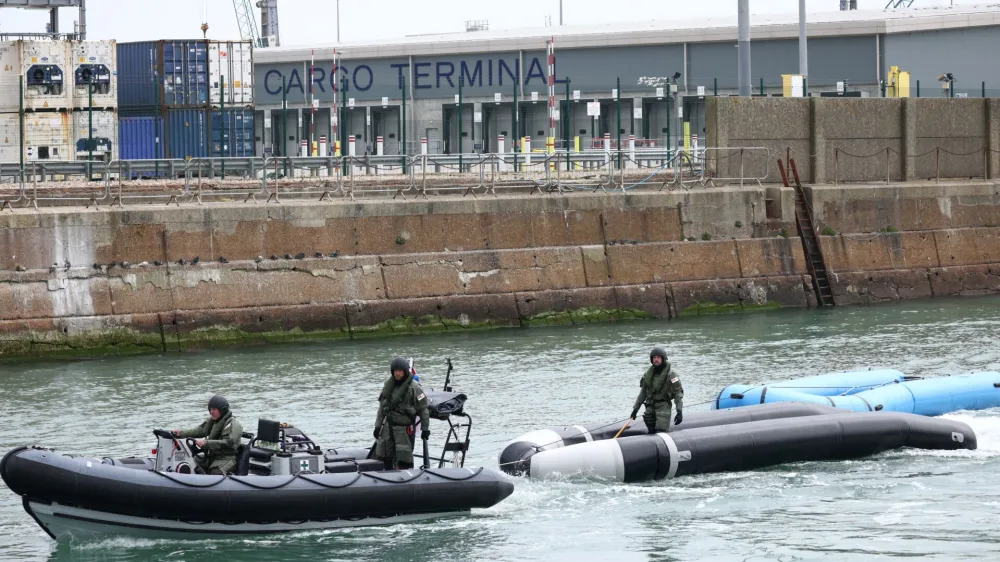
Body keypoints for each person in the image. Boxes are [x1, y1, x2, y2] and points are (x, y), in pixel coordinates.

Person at [374, 357, 431, 470]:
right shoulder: (388, 385)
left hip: (404, 427)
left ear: (405, 371)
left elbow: (423, 409)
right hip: (388, 426)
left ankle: (406, 477)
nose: (397, 374)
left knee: (404, 456)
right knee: (384, 454)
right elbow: (381, 408)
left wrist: (425, 428)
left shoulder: (415, 387)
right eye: (395, 371)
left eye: (400, 371)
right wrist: (377, 426)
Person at [173, 395, 243, 475]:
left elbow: (228, 442)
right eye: (210, 409)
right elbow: (200, 431)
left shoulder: (233, 424)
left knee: (216, 472)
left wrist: (206, 443)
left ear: (222, 410)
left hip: (227, 458)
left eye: (214, 409)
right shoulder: (214, 420)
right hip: (212, 457)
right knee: (191, 461)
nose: (211, 412)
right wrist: (181, 433)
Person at [630, 347, 684, 433]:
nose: (656, 360)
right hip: (650, 407)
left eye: (658, 357)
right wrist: (635, 410)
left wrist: (679, 411)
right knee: (651, 431)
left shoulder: (671, 375)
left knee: (661, 431)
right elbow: (643, 393)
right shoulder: (648, 375)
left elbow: (678, 393)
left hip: (663, 407)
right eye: (654, 358)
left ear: (663, 358)